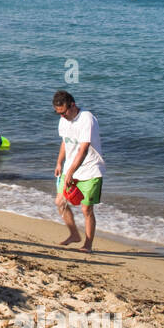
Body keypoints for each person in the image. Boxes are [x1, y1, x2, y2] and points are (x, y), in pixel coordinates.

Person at [53, 90, 105, 252]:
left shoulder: (86, 119)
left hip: (90, 169)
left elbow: (83, 149)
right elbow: (65, 142)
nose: (62, 116)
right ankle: (74, 234)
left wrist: (70, 173)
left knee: (86, 209)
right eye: (58, 113)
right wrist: (60, 162)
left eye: (64, 112)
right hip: (70, 169)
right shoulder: (63, 120)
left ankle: (88, 245)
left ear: (73, 105)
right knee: (60, 203)